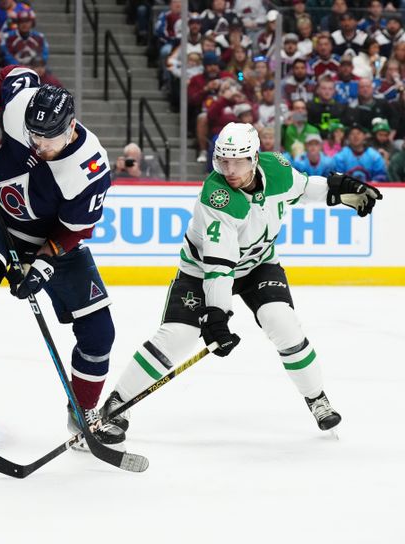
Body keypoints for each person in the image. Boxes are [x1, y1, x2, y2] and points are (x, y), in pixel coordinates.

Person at [100, 122, 382, 437]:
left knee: (282, 322)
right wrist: (217, 315)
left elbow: (302, 189)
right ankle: (115, 404)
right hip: (201, 271)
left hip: (259, 265)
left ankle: (318, 399)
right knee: (178, 336)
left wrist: (339, 189)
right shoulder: (217, 196)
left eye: (237, 161)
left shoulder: (277, 169)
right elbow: (220, 265)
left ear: (255, 158)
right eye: (223, 161)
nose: (229, 169)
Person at [0, 67, 125, 449]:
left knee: (100, 332)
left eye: (47, 139)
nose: (37, 145)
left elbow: (74, 231)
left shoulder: (89, 170)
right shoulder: (23, 105)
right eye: (33, 135)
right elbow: (11, 76)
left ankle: (83, 413)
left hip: (49, 240)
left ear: (70, 128)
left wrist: (45, 261)